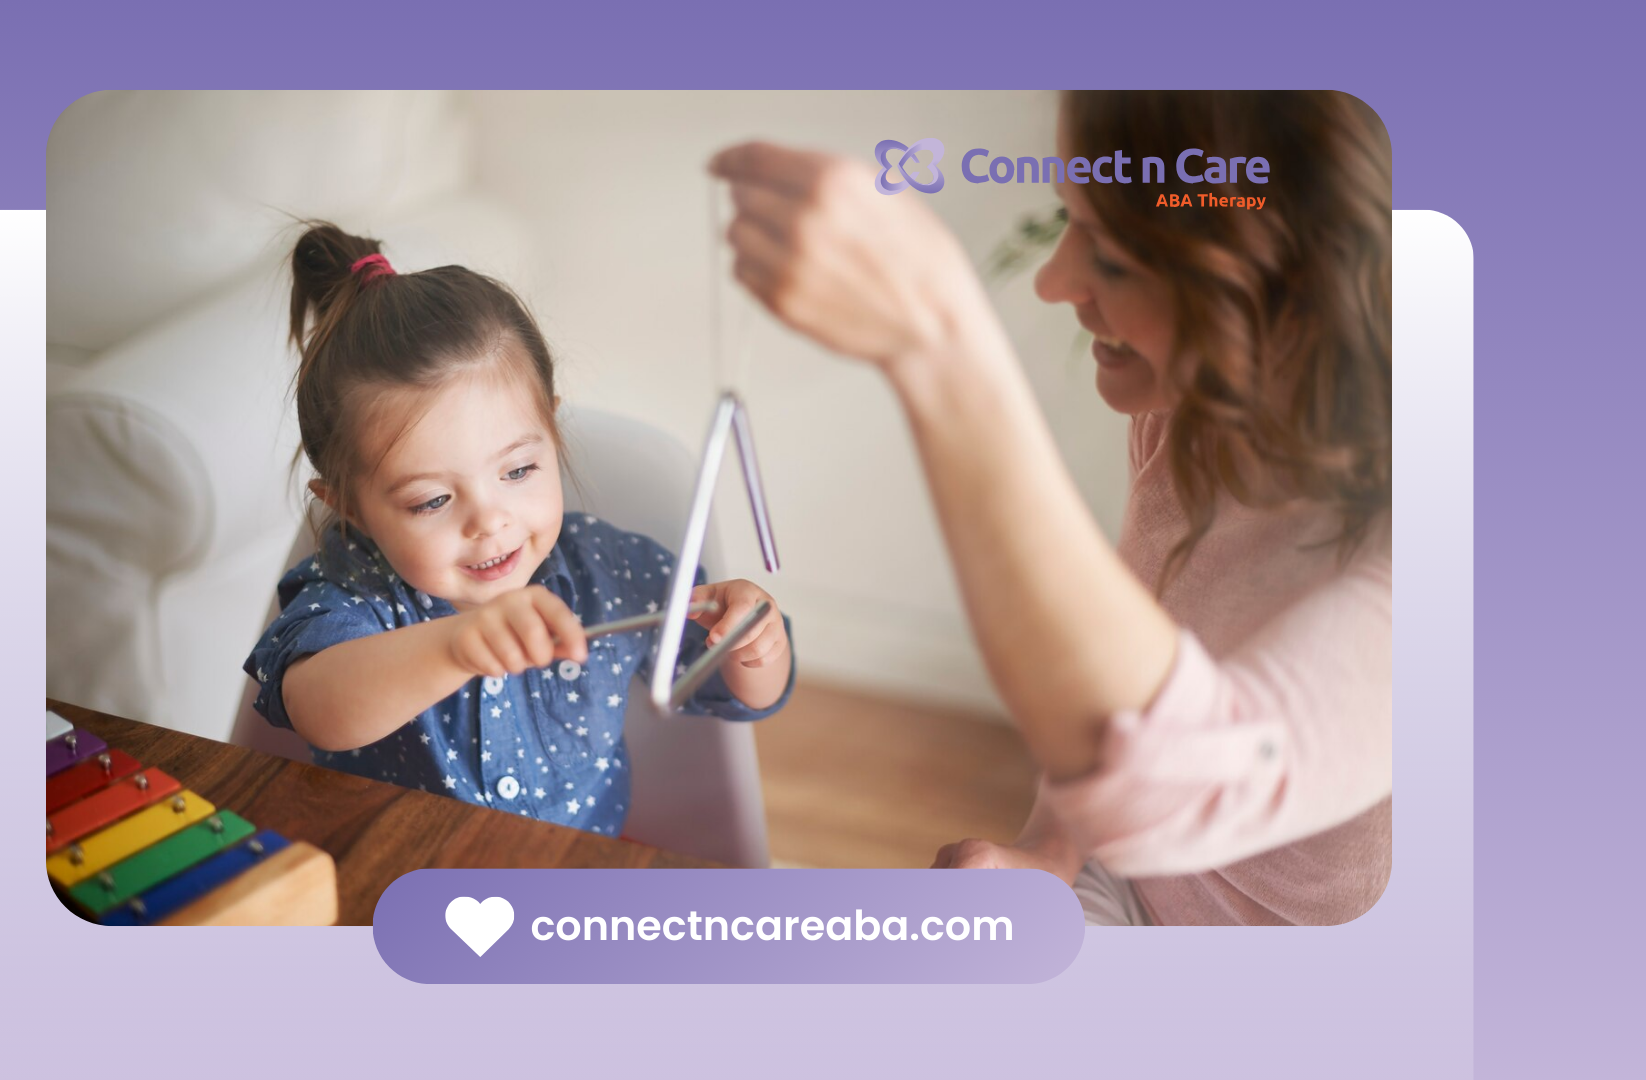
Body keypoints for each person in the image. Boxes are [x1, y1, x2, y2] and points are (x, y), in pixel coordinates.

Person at [712, 91, 1390, 925]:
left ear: (1291, 280)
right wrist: (1048, 858)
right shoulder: (1195, 416)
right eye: (1068, 219)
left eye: (1111, 255)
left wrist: (938, 342)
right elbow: (1120, 702)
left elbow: (1182, 781)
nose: (1053, 279)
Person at [243, 223, 794, 836]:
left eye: (519, 469)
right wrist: (457, 645)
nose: (489, 520)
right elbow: (320, 709)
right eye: (431, 501)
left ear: (552, 435)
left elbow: (741, 690)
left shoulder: (612, 573)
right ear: (348, 508)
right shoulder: (350, 592)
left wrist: (752, 641)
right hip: (392, 884)